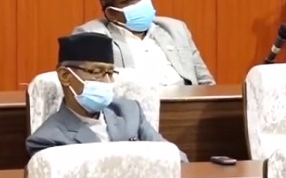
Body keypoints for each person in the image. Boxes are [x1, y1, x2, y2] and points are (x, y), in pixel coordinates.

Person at [26, 32, 187, 161]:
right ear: (65, 76)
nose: (107, 82)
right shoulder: (47, 139)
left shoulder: (129, 112)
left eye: (110, 73)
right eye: (97, 72)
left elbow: (174, 158)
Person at [74, 0, 215, 86]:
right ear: (112, 13)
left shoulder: (175, 29)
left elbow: (206, 83)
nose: (142, 2)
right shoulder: (92, 36)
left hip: (185, 105)